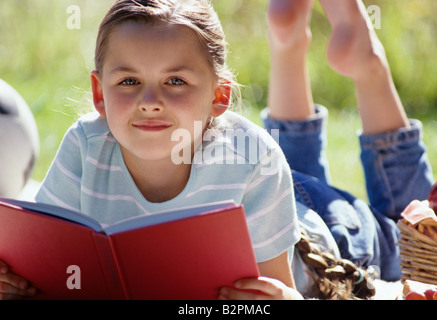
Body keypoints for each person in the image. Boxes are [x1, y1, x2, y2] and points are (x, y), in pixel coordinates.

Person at [0, 0, 303, 300]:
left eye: (175, 81)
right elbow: (44, 276)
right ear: (99, 93)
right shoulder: (85, 145)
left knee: (316, 187)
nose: (149, 101)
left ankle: (289, 42)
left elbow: (274, 292)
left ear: (219, 94)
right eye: (129, 81)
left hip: (314, 239)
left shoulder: (253, 158)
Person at [263, 0, 434, 297]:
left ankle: (302, 47)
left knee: (416, 222)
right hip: (333, 253)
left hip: (292, 226)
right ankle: (290, 46)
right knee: (422, 238)